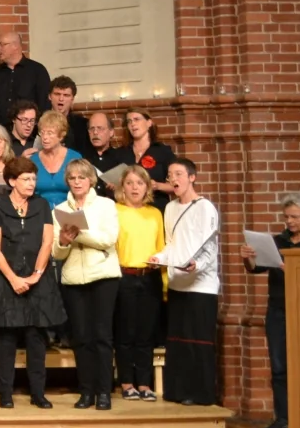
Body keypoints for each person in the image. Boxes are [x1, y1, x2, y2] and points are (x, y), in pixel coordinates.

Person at [242, 192, 300, 428]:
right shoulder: (278, 241)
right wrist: (249, 258)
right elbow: (255, 269)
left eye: (294, 217)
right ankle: (282, 420)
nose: (289, 221)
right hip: (278, 311)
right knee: (279, 366)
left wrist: (293, 269)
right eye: (286, 217)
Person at [0, 156, 64, 408]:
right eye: (26, 179)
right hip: (6, 280)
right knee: (6, 340)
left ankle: (38, 393)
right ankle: (5, 394)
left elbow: (47, 242)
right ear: (12, 181)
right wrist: (14, 279)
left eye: (33, 179)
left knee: (36, 340)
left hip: (38, 281)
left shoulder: (41, 205)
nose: (31, 183)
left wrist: (36, 275)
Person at [149, 159, 221, 406]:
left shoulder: (205, 207)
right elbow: (172, 244)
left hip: (201, 286)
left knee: (198, 341)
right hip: (177, 283)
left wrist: (196, 265)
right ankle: (178, 391)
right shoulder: (170, 208)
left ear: (192, 177)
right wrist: (159, 258)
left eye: (179, 174)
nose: (173, 179)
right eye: (170, 175)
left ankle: (201, 394)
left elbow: (210, 247)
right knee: (178, 341)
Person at [51, 159, 120, 410]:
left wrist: (80, 233)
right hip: (73, 279)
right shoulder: (60, 210)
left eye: (81, 177)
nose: (77, 182)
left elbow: (108, 239)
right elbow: (57, 253)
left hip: (103, 276)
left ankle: (104, 392)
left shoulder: (106, 205)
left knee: (102, 336)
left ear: (91, 180)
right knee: (81, 338)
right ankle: (86, 392)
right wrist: (63, 241)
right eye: (72, 178)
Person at [112, 166, 167, 401]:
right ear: (122, 187)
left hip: (150, 277)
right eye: (130, 183)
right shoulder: (114, 211)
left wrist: (164, 283)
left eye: (140, 183)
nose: (135, 188)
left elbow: (161, 246)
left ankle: (144, 384)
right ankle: (126, 383)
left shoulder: (155, 213)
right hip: (124, 276)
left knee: (146, 333)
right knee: (125, 332)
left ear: (147, 187)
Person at [0, 29, 51, 123]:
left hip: (30, 129)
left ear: (15, 45)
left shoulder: (37, 71)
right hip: (0, 131)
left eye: (2, 44)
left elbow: (44, 105)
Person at [124, 110, 179, 206]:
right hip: (127, 208)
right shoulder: (122, 152)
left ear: (149, 123)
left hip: (155, 207)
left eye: (136, 119)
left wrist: (158, 186)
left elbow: (178, 185)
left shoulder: (162, 151)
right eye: (129, 121)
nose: (133, 124)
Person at [30, 111, 82, 208]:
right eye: (42, 133)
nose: (45, 137)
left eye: (50, 133)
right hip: (40, 212)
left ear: (61, 136)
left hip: (70, 211)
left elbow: (84, 190)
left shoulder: (74, 158)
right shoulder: (33, 160)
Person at [47, 77, 93, 155]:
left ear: (72, 99)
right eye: (57, 94)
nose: (61, 99)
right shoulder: (38, 122)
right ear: (49, 96)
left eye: (66, 95)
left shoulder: (83, 125)